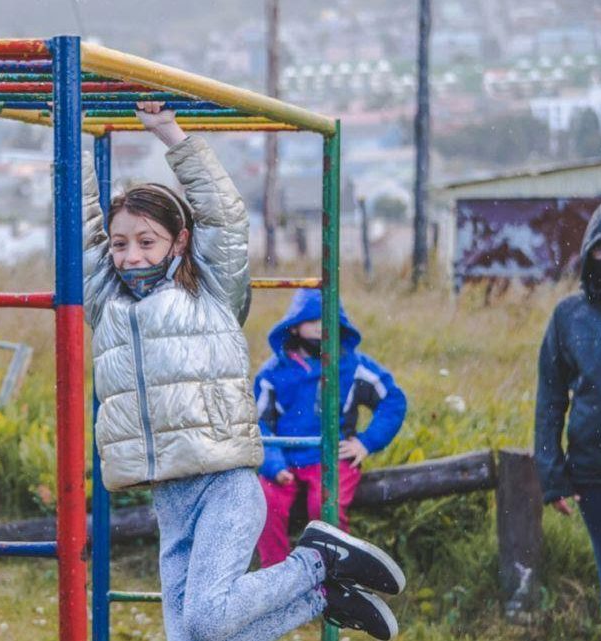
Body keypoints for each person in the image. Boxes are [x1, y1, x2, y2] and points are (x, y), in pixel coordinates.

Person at [85, 102, 405, 641]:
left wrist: (170, 134)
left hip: (223, 481)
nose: (131, 256)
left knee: (207, 620)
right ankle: (325, 596)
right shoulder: (107, 304)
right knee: (191, 637)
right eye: (120, 244)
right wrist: (68, 129)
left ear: (179, 241)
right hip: (168, 495)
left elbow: (226, 217)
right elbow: (81, 230)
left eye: (146, 241)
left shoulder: (210, 292)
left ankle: (318, 561)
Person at [253, 290, 407, 567]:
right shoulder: (274, 372)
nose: (320, 327)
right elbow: (259, 422)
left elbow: (393, 400)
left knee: (325, 506)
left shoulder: (352, 365)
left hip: (333, 457)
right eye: (312, 320)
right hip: (286, 459)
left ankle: (332, 575)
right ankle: (276, 576)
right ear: (295, 326)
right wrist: (273, 464)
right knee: (265, 503)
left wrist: (367, 441)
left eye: (327, 320)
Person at [535, 204, 601, 640]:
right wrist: (552, 476)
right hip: (592, 469)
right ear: (589, 252)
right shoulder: (567, 316)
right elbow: (550, 400)